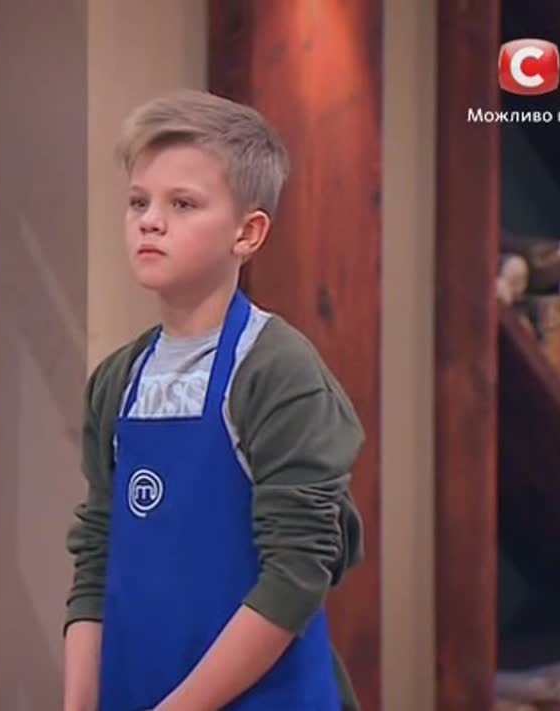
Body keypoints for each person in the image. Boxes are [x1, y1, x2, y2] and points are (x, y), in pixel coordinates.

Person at [61, 89, 366, 711]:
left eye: (182, 204)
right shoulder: (117, 380)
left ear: (248, 233)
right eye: (139, 202)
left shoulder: (278, 372)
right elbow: (97, 554)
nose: (150, 221)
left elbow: (296, 573)